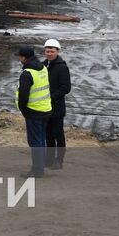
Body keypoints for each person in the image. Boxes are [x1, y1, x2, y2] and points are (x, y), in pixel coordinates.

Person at [15, 46, 52, 177]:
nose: (18, 59)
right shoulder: (43, 68)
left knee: (35, 142)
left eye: (19, 56)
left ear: (24, 58)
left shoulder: (27, 74)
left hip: (34, 111)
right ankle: (40, 168)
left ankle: (37, 170)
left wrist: (23, 110)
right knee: (41, 140)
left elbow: (23, 96)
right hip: (46, 109)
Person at [43, 38, 71, 169]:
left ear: (57, 51)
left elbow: (66, 87)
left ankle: (59, 161)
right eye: (47, 51)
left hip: (57, 108)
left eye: (52, 51)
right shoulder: (43, 66)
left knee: (58, 135)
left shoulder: (62, 67)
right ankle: (49, 160)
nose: (49, 53)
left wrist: (51, 98)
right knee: (48, 135)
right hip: (45, 107)